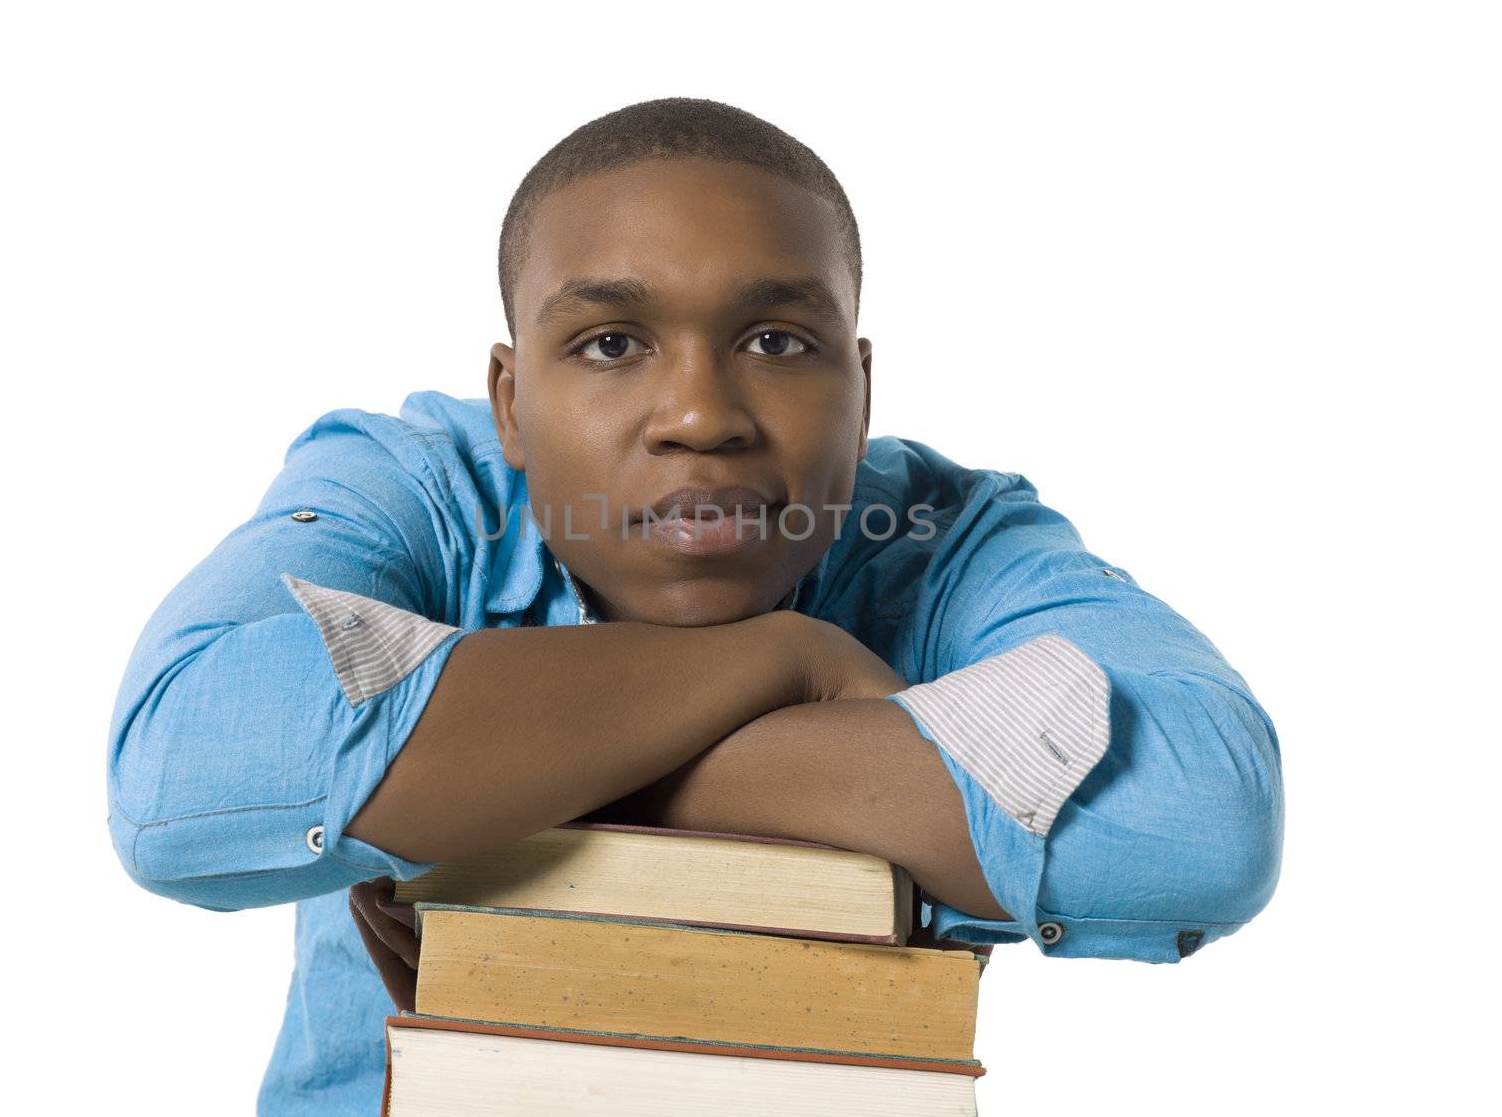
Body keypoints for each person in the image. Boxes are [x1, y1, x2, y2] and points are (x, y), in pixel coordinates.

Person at [106, 98, 1284, 1114]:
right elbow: (180, 770)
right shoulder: (416, 489)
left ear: (860, 392)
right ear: (511, 402)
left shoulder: (941, 538)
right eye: (612, 341)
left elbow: (1199, 813)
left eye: (776, 339)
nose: (699, 413)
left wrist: (506, 781)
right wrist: (787, 666)